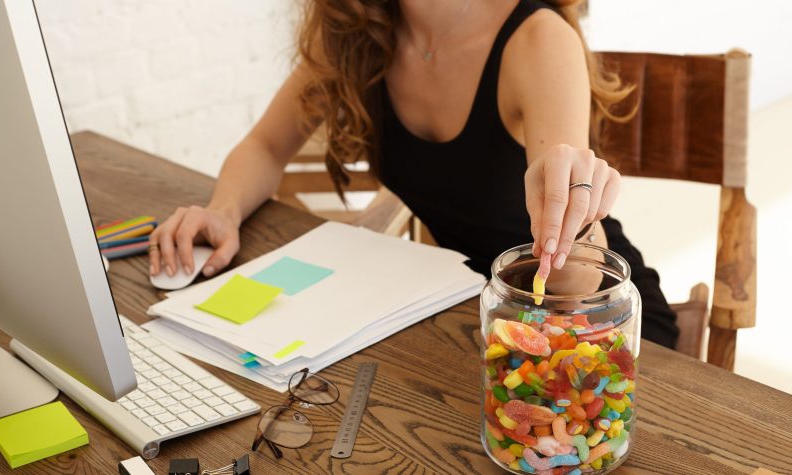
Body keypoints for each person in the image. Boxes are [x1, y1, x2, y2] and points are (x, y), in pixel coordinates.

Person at [148, 0, 679, 348]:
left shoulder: (539, 40)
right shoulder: (357, 36)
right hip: (471, 317)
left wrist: (573, 219)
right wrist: (222, 210)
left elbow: (579, 281)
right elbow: (265, 145)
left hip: (597, 326)